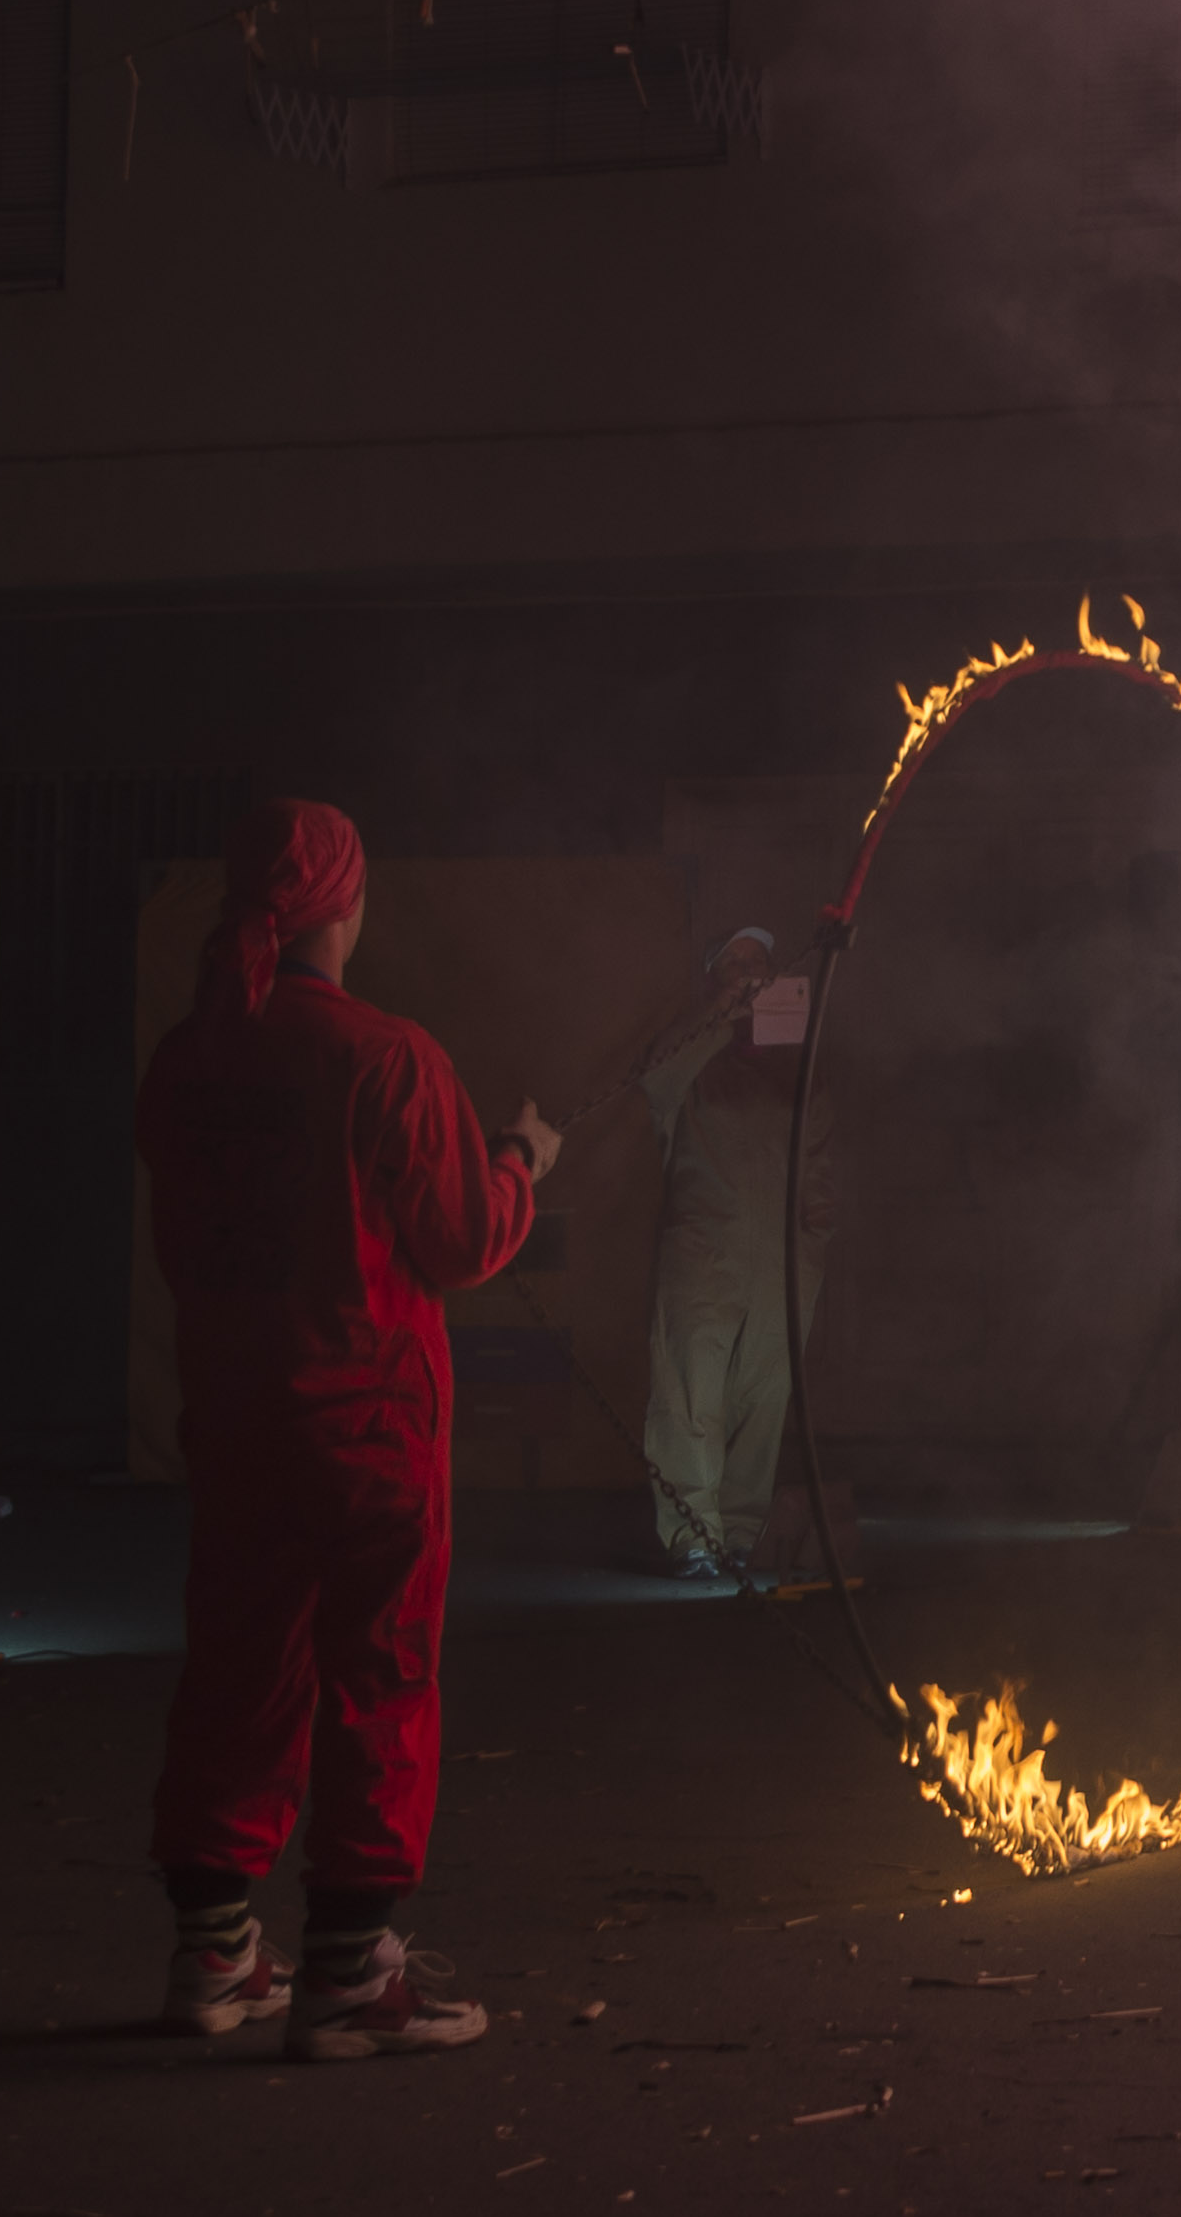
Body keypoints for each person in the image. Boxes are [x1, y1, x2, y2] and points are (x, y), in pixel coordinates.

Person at [134, 801, 552, 2053]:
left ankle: (215, 1951)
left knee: (239, 1666)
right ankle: (349, 1973)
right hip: (366, 1422)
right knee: (380, 1672)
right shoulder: (387, 1055)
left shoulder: (187, 1057)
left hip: (235, 1413)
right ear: (346, 905)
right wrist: (519, 1163)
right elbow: (461, 1240)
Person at [622, 924, 828, 1584]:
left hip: (780, 1260)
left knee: (764, 1397)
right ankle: (692, 1536)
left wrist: (811, 1250)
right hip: (704, 1250)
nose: (749, 971)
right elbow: (655, 1079)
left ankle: (741, 1533)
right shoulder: (692, 1059)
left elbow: (821, 1163)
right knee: (691, 1392)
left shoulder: (793, 1067)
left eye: (759, 961)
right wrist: (720, 1014)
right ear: (713, 977)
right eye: (733, 962)